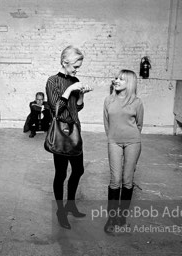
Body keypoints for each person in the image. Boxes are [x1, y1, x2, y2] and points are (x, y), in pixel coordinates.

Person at [45, 45, 93, 229]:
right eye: (75, 66)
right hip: (61, 132)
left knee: (79, 170)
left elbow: (76, 108)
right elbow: (57, 110)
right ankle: (60, 210)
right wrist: (70, 88)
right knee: (61, 173)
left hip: (75, 130)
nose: (77, 70)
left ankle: (71, 204)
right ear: (65, 62)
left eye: (78, 67)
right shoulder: (52, 81)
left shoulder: (75, 80)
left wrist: (80, 95)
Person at [103, 70, 144, 233]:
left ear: (130, 83)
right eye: (116, 78)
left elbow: (139, 124)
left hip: (133, 141)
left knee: (127, 180)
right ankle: (111, 218)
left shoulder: (137, 102)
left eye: (121, 79)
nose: (116, 81)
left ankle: (122, 217)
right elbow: (106, 123)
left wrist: (130, 136)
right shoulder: (108, 100)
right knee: (115, 179)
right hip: (114, 141)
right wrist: (113, 138)